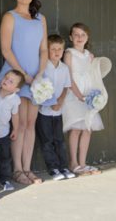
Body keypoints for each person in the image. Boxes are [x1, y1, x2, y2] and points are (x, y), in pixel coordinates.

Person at [0, 0, 48, 185]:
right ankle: (17, 170)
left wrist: (40, 75)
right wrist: (23, 75)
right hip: (16, 76)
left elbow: (43, 49)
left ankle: (27, 168)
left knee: (30, 124)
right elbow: (6, 49)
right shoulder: (10, 16)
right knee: (18, 123)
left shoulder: (40, 19)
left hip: (35, 78)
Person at [62, 23, 108, 176]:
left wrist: (93, 96)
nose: (79, 38)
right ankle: (73, 163)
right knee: (75, 129)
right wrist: (78, 95)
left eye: (83, 35)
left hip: (88, 95)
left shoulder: (89, 55)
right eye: (76, 34)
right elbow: (68, 77)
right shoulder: (68, 53)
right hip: (74, 95)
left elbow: (94, 76)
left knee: (87, 129)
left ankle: (83, 163)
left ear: (87, 38)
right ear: (70, 37)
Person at [35, 35, 76, 181]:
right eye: (53, 49)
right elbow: (40, 86)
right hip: (44, 111)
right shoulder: (43, 66)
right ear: (47, 50)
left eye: (59, 49)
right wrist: (51, 101)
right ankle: (53, 168)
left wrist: (59, 101)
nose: (57, 52)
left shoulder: (64, 68)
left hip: (58, 110)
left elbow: (66, 87)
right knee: (47, 141)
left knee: (59, 140)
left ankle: (63, 166)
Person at [0, 69, 25, 190]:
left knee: (5, 159)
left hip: (3, 134)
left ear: (16, 89)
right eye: (6, 78)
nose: (6, 81)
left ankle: (5, 180)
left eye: (11, 81)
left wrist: (15, 129)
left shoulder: (15, 100)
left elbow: (15, 115)